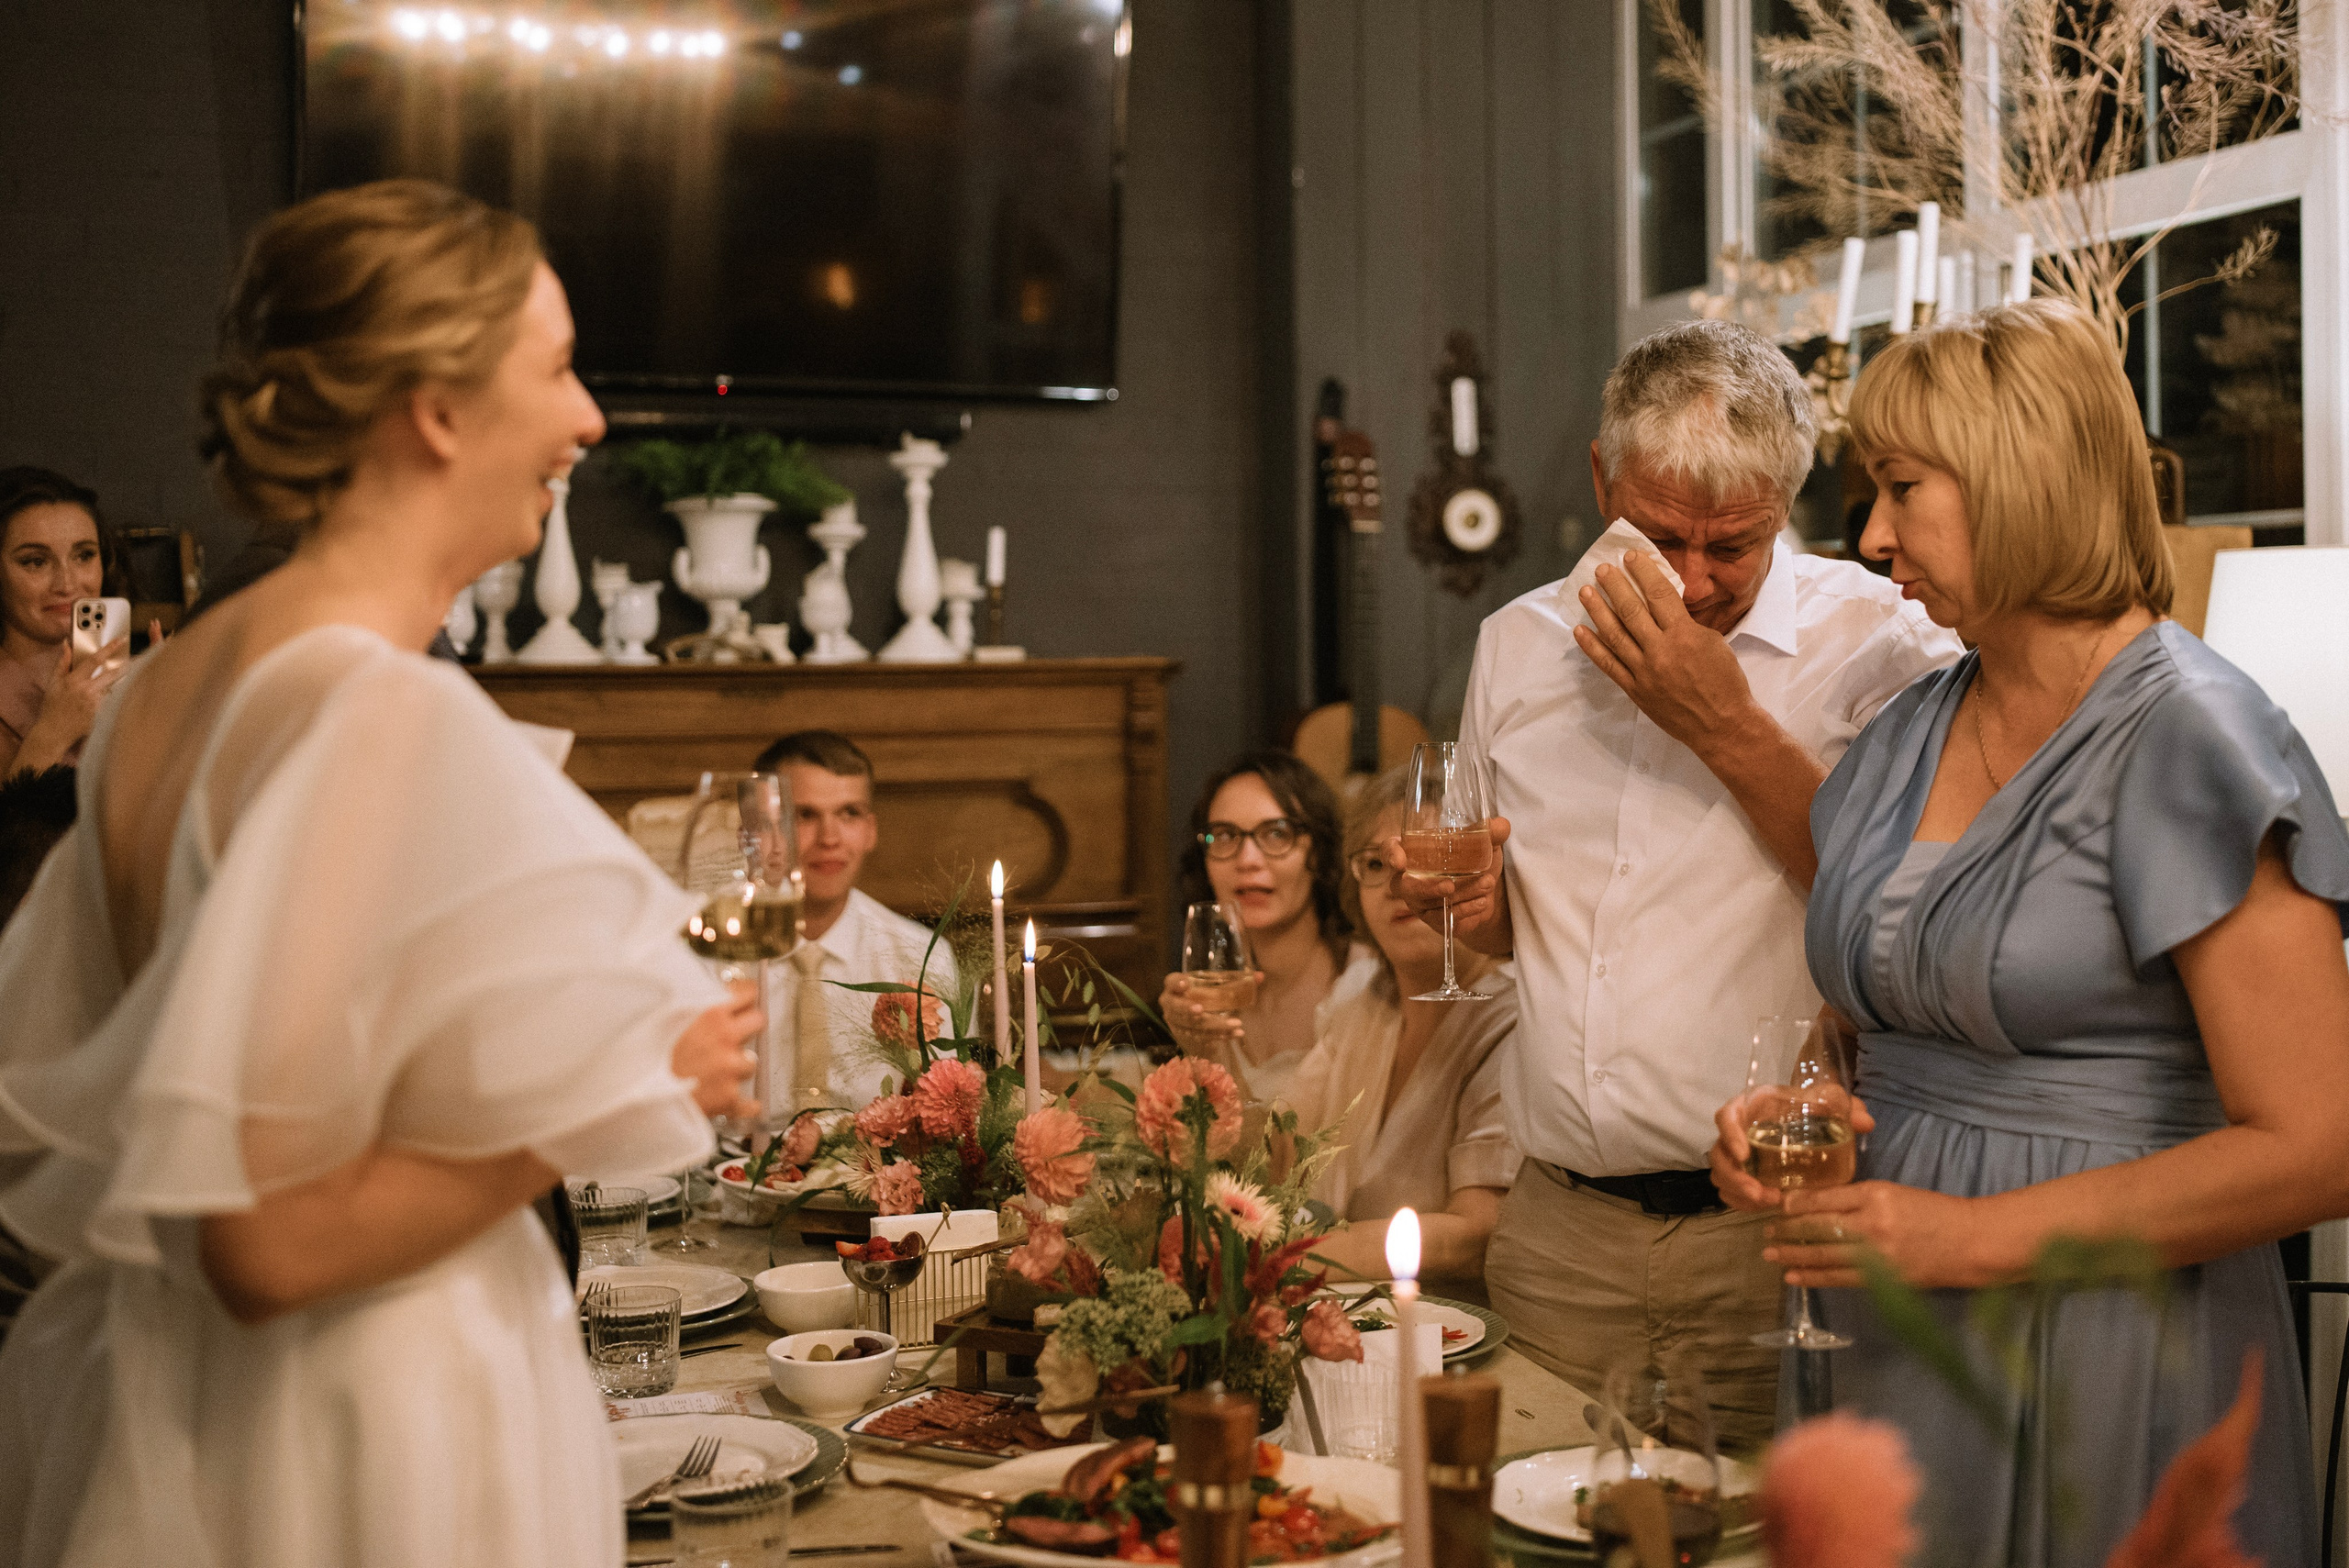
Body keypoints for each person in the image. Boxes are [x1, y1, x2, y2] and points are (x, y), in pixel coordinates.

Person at [0, 180, 763, 1568]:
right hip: (368, 1428)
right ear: (438, 407)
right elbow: (261, 1240)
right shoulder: (371, 707)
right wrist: (615, 1092)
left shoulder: (158, 696)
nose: (589, 418)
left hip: (190, 1419)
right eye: (555, 367)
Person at [1708, 298, 2349, 1564]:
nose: (1873, 531)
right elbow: (1877, 1018)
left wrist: (1978, 1237)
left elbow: (2322, 1146)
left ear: (2022, 477)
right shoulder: (1907, 730)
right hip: (1884, 1325)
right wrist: (1814, 1114)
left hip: (2108, 1340)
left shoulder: (2194, 739)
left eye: (1901, 486)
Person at [1395, 317, 1963, 1451]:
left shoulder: (1885, 645)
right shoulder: (1516, 644)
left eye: (1734, 546)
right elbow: (1523, 933)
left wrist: (1722, 720)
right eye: (1659, 537)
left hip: (1766, 1232)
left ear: (1787, 506)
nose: (1695, 582)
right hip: (1555, 1227)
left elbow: (1908, 918)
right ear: (1603, 477)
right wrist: (1475, 910)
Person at [1283, 767, 1520, 1304]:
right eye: (1375, 863)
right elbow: (1277, 1147)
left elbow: (1475, 1237)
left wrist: (1286, 1261)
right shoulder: (1364, 999)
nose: (1400, 884)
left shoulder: (1510, 1012)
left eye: (1427, 859)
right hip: (1343, 1316)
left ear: (1481, 871)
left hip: (1457, 1336)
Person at [751, 728, 956, 1113]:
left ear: (870, 831)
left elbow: (947, 1112)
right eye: (804, 815)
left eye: (849, 813)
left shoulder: (922, 958)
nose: (830, 838)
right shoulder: (711, 954)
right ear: (763, 832)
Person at [1161, 751, 1378, 1104]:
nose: (1247, 860)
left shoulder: (1365, 984)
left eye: (1277, 834)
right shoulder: (1211, 994)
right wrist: (1199, 1048)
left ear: (1320, 852)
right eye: (1225, 835)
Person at [0, 468, 130, 779]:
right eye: (36, 561)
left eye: (84, 555)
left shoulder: (131, 677)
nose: (67, 583)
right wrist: (52, 734)